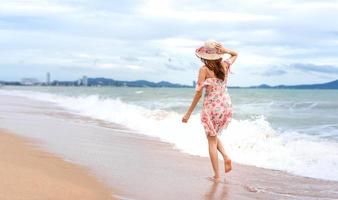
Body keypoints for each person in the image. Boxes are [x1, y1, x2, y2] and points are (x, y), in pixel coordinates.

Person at [181, 39, 238, 182]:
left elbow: (198, 93)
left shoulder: (204, 69)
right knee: (214, 135)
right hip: (225, 105)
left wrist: (188, 113)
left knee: (211, 140)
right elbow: (236, 54)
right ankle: (226, 157)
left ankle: (217, 176)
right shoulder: (225, 65)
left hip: (211, 107)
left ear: (204, 55)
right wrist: (225, 50)